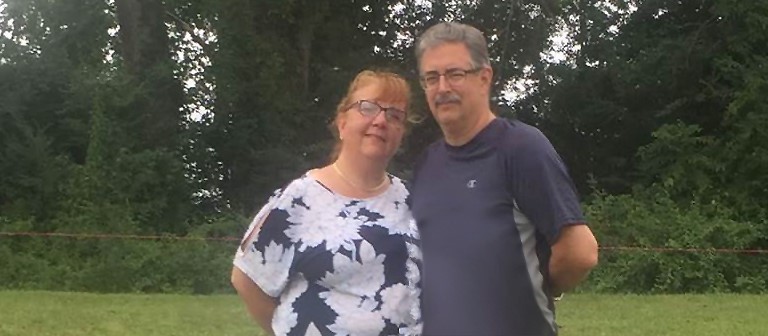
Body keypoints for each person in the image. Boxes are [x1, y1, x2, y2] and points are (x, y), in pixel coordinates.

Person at [410, 22, 599, 336]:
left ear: (485, 78)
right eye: (431, 78)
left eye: (455, 74)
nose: (442, 88)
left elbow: (580, 252)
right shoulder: (426, 163)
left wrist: (538, 286)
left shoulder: (521, 148)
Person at [231, 70, 422, 336]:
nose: (381, 120)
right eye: (367, 108)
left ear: (401, 134)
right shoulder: (300, 197)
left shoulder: (412, 200)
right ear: (342, 123)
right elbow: (247, 278)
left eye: (394, 115)